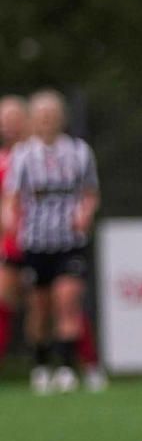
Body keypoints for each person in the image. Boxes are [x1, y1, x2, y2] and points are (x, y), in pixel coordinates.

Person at [0, 90, 104, 394]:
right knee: (39, 309)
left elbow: (90, 192)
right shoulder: (23, 157)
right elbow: (11, 198)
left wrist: (85, 213)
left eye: (51, 115)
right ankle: (42, 365)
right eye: (41, 116)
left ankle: (70, 367)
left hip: (69, 242)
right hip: (33, 243)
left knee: (67, 300)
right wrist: (9, 220)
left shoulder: (79, 153)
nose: (46, 121)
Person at [0, 95, 29, 370]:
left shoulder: (39, 155)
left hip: (44, 240)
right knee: (4, 300)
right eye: (3, 121)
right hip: (11, 243)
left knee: (59, 302)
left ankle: (87, 363)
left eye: (13, 119)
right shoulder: (2, 160)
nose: (8, 126)